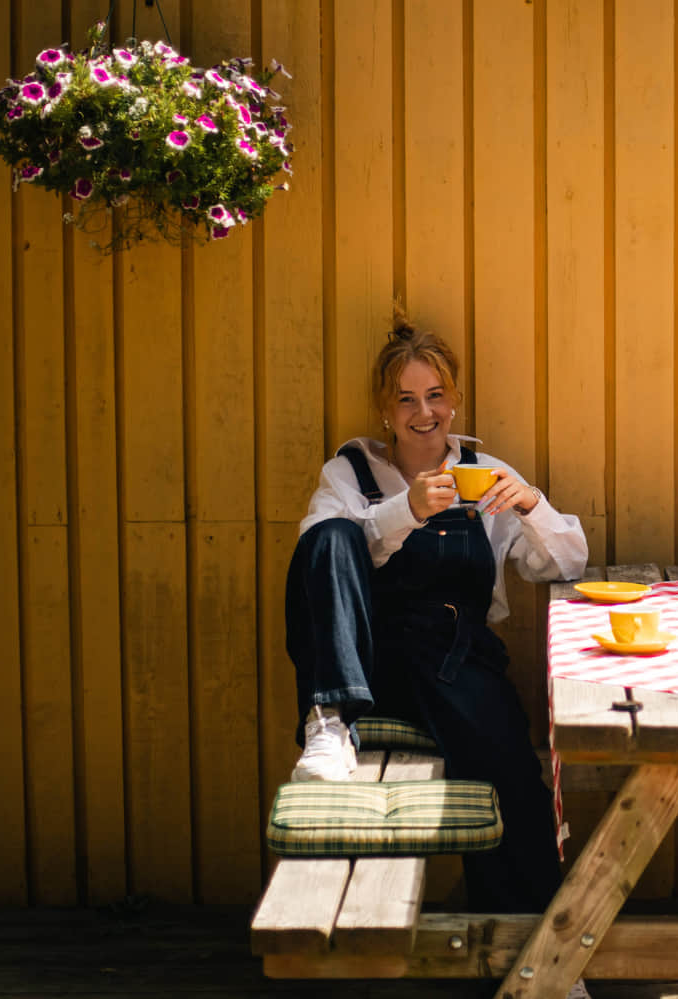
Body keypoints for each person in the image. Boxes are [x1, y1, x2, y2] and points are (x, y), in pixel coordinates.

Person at [284, 310, 588, 929]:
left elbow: (565, 563)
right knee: (330, 535)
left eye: (435, 395)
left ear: (454, 400)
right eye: (406, 399)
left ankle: (532, 952)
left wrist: (529, 503)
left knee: (515, 784)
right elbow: (319, 558)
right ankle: (329, 720)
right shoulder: (350, 473)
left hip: (458, 660)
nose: (423, 412)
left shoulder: (486, 471)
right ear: (385, 409)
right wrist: (406, 509)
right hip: (370, 668)